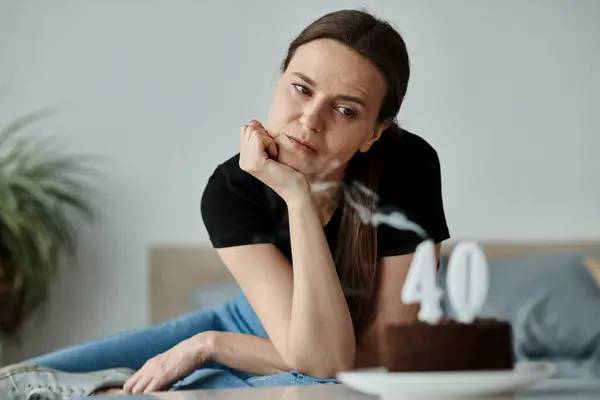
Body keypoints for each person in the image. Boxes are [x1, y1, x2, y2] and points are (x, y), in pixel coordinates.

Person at [0, 8, 450, 399]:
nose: (310, 120)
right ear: (280, 79)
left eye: (346, 110)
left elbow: (348, 360)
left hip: (340, 364)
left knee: (313, 390)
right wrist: (217, 337)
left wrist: (210, 346)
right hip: (249, 322)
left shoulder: (407, 168)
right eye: (302, 88)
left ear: (375, 132)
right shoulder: (231, 189)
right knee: (15, 382)